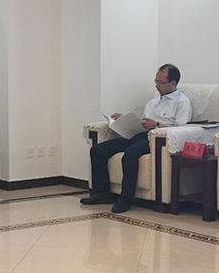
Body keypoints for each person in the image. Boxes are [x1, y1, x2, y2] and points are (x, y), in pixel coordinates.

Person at [81, 64, 191, 213]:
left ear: (173, 83)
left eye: (160, 82)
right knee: (98, 150)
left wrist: (157, 124)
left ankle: (126, 198)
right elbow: (143, 122)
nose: (157, 86)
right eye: (156, 81)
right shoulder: (153, 102)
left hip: (157, 140)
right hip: (139, 135)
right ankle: (102, 193)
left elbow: (183, 129)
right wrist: (125, 119)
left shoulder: (182, 102)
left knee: (131, 154)